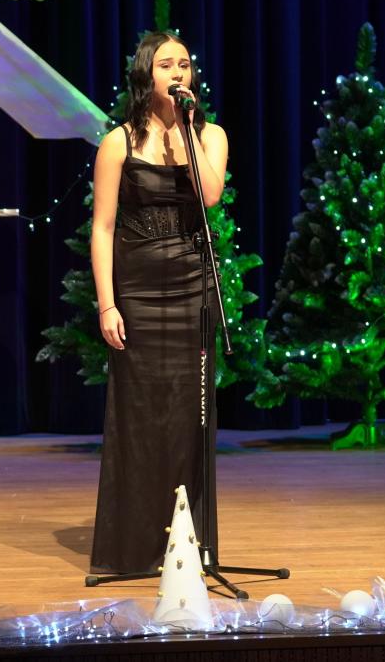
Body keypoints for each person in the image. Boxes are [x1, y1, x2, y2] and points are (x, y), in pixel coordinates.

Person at [89, 31, 229, 574]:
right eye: (167, 65)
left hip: (193, 287)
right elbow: (102, 227)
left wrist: (187, 131)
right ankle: (138, 545)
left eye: (185, 65)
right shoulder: (118, 142)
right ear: (146, 74)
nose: (178, 73)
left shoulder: (209, 135)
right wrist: (107, 305)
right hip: (138, 290)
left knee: (190, 417)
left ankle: (189, 544)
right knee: (142, 416)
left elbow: (210, 195)